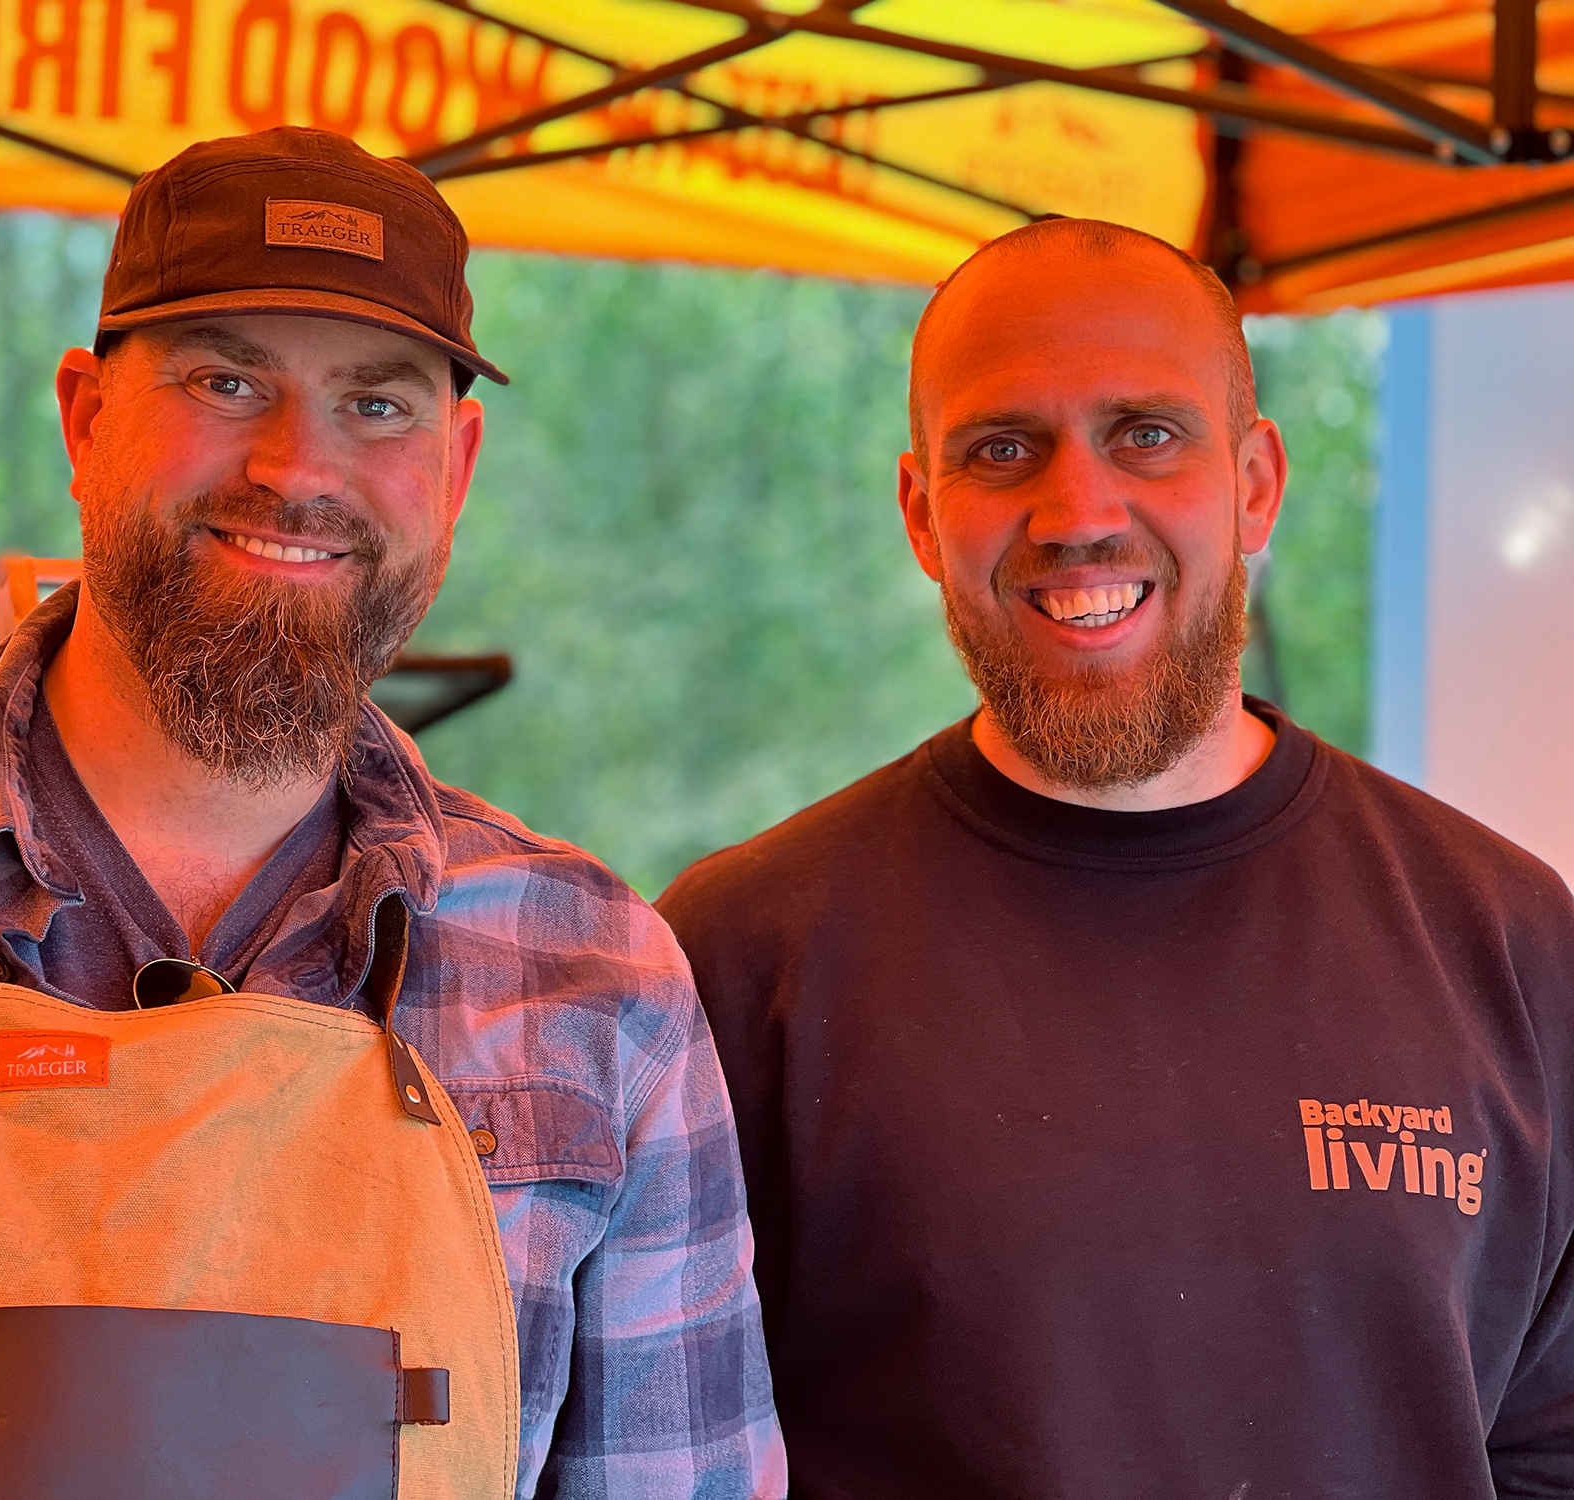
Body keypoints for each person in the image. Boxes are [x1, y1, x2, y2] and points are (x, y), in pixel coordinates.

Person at [0, 128, 782, 1498]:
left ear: (453, 471)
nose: (295, 467)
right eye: (226, 381)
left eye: (376, 405)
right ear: (86, 418)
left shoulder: (593, 982)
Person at [657, 217, 1574, 1499]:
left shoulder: (1512, 944)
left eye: (1144, 434)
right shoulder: (739, 957)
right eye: (1001, 448)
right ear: (920, 513)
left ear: (1253, 483)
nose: (1077, 512)